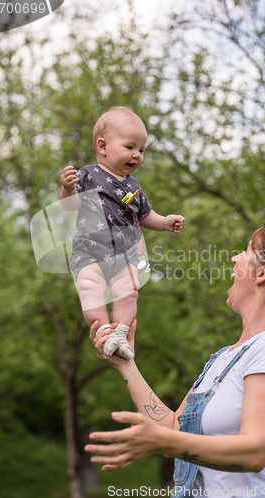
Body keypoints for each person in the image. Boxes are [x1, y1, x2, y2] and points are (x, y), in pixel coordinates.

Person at [85, 220, 265, 498]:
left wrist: (164, 441)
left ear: (263, 273)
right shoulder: (224, 358)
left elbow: (255, 452)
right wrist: (126, 365)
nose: (235, 258)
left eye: (246, 251)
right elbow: (172, 428)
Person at [60, 106, 184, 361]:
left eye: (141, 150)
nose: (137, 155)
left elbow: (144, 214)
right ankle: (104, 331)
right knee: (89, 286)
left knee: (129, 289)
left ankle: (120, 333)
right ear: (103, 146)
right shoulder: (88, 175)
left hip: (122, 253)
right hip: (90, 251)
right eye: (130, 147)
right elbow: (70, 206)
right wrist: (68, 189)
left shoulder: (133, 184)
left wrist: (164, 222)